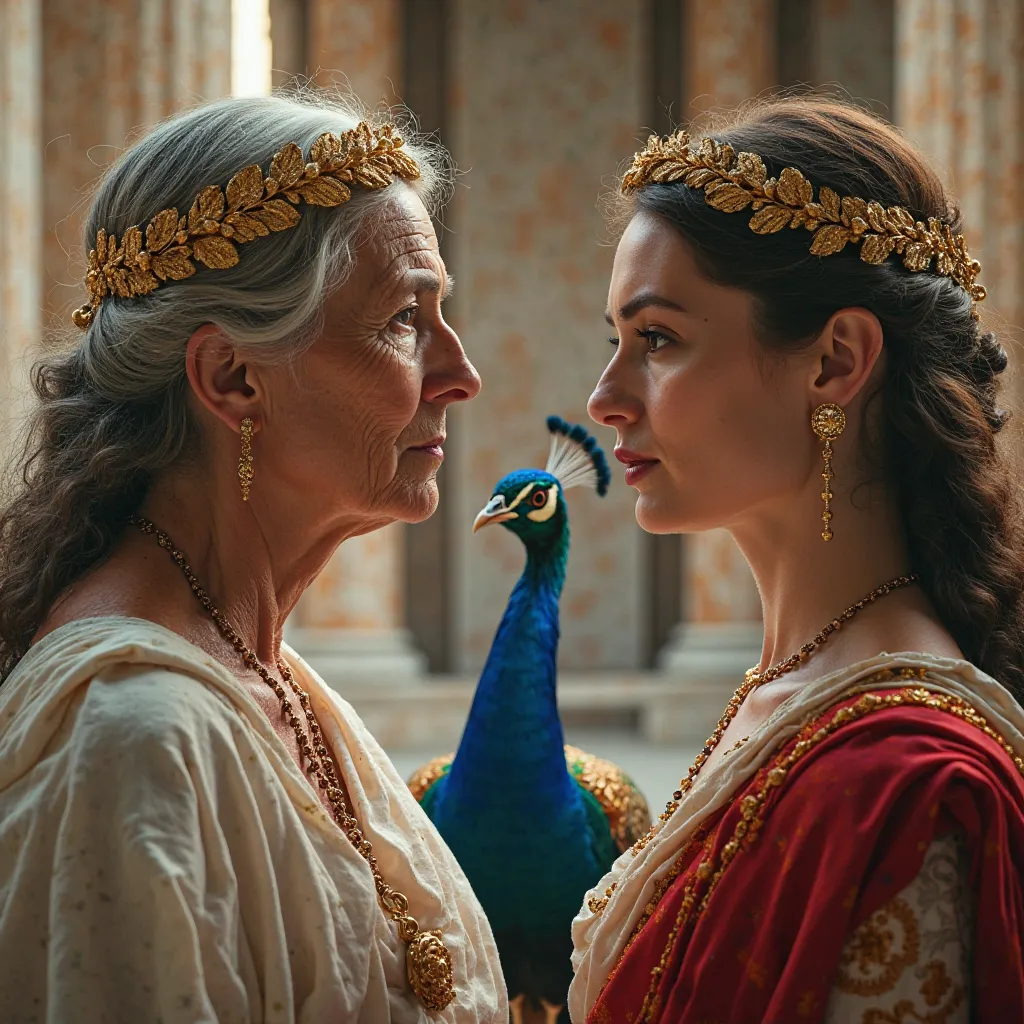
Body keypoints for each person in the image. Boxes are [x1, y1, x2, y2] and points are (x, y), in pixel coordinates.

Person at [0, 92, 506, 1023]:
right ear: (233, 378)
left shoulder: (256, 669)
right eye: (403, 318)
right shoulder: (130, 743)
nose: (459, 372)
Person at [571, 96, 1024, 1023]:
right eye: (614, 341)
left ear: (834, 362)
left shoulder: (911, 782)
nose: (606, 397)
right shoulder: (787, 690)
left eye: (656, 339)